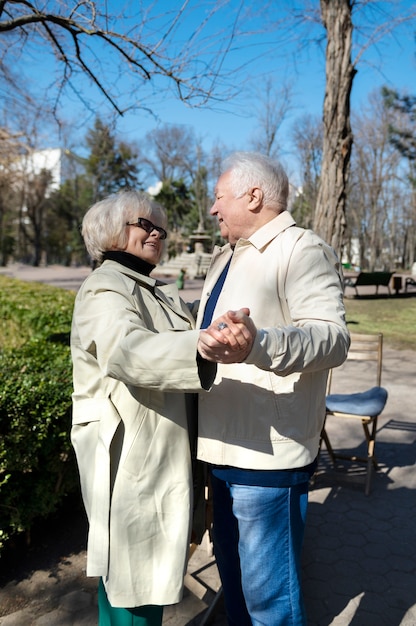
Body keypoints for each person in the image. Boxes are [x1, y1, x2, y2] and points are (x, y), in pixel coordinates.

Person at [70, 189, 254, 626]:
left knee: (143, 578)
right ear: (112, 230)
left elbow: (192, 319)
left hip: (158, 453)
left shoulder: (152, 289)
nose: (157, 234)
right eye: (144, 225)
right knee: (133, 584)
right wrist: (201, 344)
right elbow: (128, 349)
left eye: (161, 229)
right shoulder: (104, 287)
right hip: (131, 459)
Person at [196, 152, 351, 626]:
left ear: (254, 196)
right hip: (221, 449)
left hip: (266, 459)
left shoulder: (301, 249)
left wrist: (259, 345)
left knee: (270, 604)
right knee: (238, 589)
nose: (213, 209)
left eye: (219, 197)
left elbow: (332, 337)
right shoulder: (226, 257)